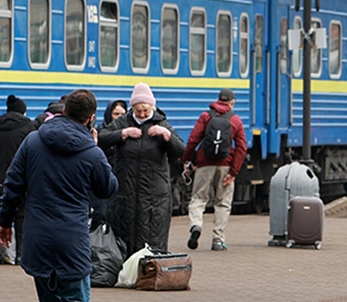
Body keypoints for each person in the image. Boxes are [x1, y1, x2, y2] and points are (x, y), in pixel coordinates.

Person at [0, 89, 117, 302]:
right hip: (71, 238)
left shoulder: (34, 140)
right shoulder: (91, 151)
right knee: (77, 301)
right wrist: (98, 149)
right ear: (91, 118)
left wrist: (4, 221)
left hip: (36, 235)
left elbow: (12, 183)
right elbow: (107, 189)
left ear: (63, 111)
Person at [99, 83, 184, 254]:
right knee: (124, 238)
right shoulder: (123, 122)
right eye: (138, 110)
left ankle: (149, 275)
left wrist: (166, 136)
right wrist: (122, 134)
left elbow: (180, 150)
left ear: (152, 106)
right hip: (126, 193)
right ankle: (126, 274)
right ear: (132, 108)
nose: (143, 114)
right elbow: (100, 139)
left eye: (146, 110)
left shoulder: (161, 123)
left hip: (154, 196)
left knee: (152, 239)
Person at [183, 88, 247, 251]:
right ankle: (218, 240)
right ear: (232, 103)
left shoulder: (206, 116)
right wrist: (233, 173)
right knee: (223, 203)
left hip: (205, 164)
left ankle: (196, 225)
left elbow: (193, 139)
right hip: (225, 166)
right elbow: (241, 148)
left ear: (217, 100)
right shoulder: (236, 120)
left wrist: (187, 160)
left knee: (198, 199)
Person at [0, 94, 35, 263]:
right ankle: (21, 254)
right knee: (21, 216)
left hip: (0, 180)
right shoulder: (28, 127)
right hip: (21, 180)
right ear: (22, 112)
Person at [90, 99, 127, 229]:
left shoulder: (130, 132)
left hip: (121, 177)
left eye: (123, 114)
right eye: (116, 114)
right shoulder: (100, 131)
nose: (119, 118)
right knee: (101, 212)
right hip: (103, 178)